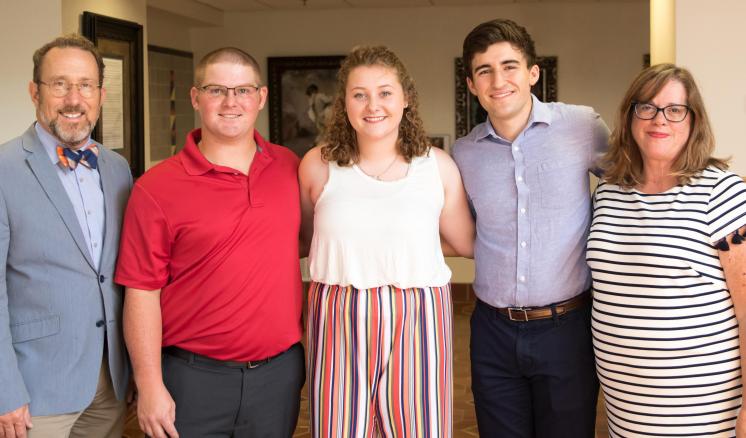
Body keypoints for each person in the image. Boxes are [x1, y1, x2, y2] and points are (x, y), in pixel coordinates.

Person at [115, 47, 305, 438]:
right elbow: (141, 292)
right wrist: (149, 385)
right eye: (216, 90)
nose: (231, 102)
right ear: (195, 97)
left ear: (261, 97)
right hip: (192, 378)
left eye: (243, 90)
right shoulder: (156, 188)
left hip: (278, 376)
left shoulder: (291, 168)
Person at [299, 45, 474, 438]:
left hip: (418, 311)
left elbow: (464, 242)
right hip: (337, 310)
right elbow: (310, 240)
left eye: (385, 92)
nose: (372, 105)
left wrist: (405, 245)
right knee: (338, 428)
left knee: (420, 428)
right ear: (343, 103)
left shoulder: (437, 166)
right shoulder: (316, 164)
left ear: (405, 98)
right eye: (359, 94)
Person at [452, 19, 610, 437]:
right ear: (471, 84)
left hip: (567, 328)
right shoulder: (463, 153)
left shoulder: (582, 127)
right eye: (484, 70)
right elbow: (458, 229)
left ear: (533, 73)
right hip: (492, 332)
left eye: (509, 66)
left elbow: (633, 186)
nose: (498, 80)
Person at [588, 64, 746, 437]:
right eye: (647, 107)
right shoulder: (610, 192)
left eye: (675, 110)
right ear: (630, 116)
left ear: (694, 121)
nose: (660, 120)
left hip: (703, 415)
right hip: (627, 411)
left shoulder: (721, 193)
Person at [0, 34, 132, 438]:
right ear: (34, 91)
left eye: (85, 85)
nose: (74, 99)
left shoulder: (117, 169)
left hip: (110, 383)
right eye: (59, 84)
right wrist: (5, 390)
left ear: (101, 94)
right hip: (35, 386)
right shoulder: (3, 169)